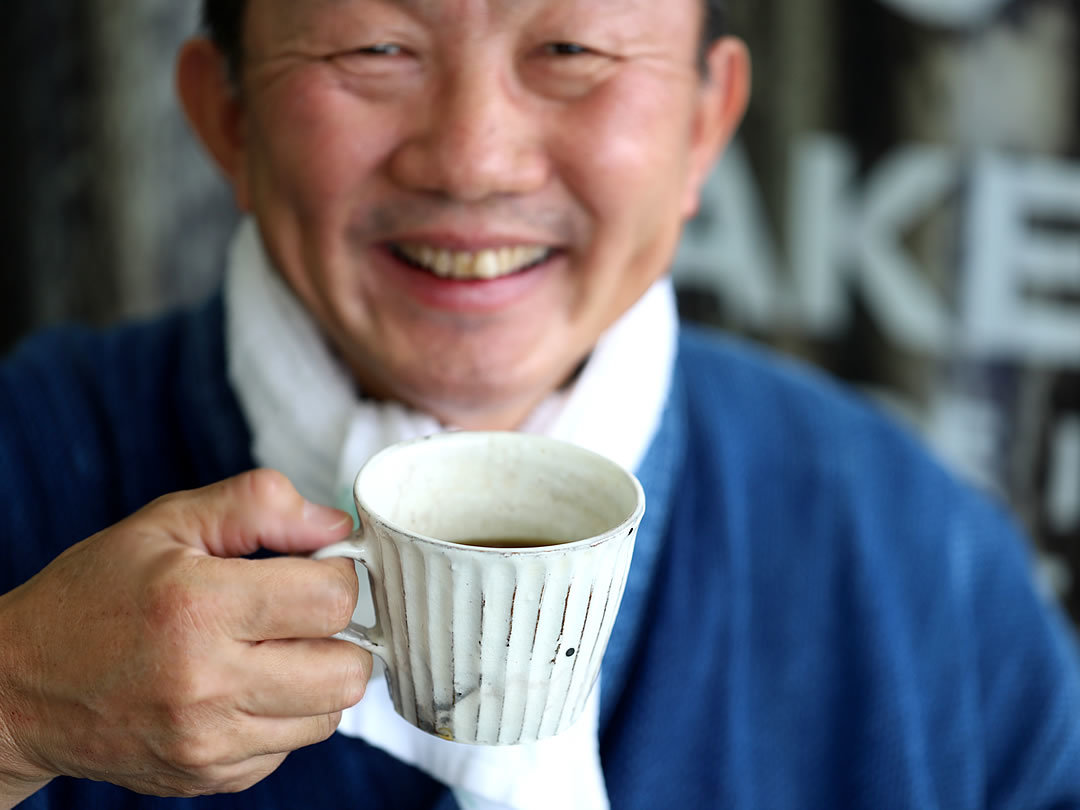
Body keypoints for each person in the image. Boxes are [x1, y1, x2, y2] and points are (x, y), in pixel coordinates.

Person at [1, 0, 1078, 807]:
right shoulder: (31, 459)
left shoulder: (921, 566)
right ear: (224, 115)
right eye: (374, 48)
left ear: (707, 124)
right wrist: (22, 706)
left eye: (571, 52)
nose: (472, 161)